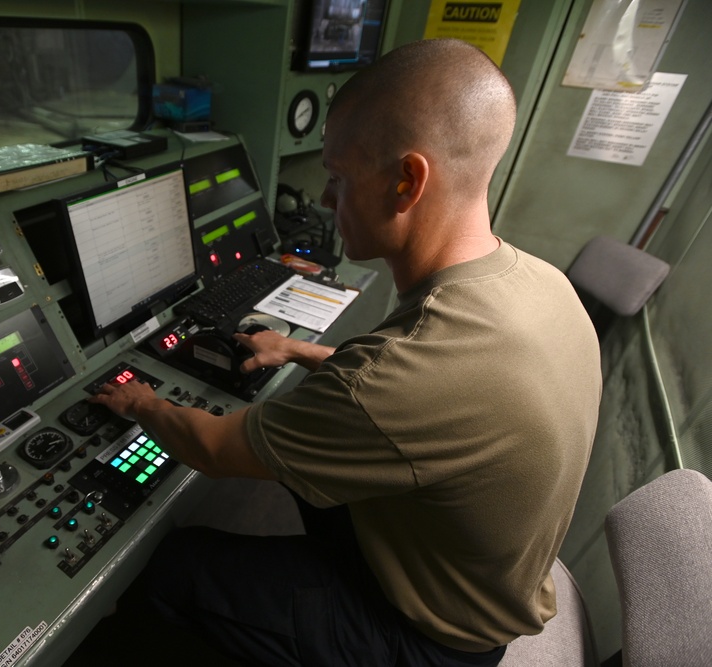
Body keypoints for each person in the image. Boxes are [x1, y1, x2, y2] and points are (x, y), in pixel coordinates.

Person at [90, 38, 602, 666]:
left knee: (179, 564)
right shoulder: (541, 282)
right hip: (479, 573)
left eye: (337, 177)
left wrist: (140, 401)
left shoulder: (402, 374)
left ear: (406, 182)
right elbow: (434, 401)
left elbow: (214, 449)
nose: (327, 201)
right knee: (304, 467)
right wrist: (302, 353)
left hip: (432, 639)